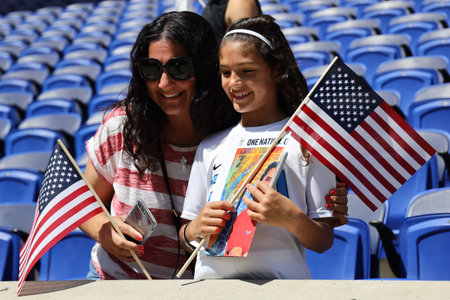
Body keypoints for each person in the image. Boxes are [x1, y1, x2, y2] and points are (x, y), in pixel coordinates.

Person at [80, 11, 348, 280]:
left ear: (203, 69)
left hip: (193, 288)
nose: (164, 83)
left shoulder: (230, 127)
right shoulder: (123, 127)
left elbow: (320, 229)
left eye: (179, 68)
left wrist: (307, 212)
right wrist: (106, 229)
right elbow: (80, 202)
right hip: (116, 280)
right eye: (150, 69)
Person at [180, 14, 339, 279]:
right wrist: (194, 229)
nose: (233, 83)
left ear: (277, 71)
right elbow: (187, 235)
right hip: (209, 291)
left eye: (247, 71)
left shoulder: (306, 142)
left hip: (283, 289)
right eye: (225, 72)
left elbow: (323, 240)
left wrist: (290, 217)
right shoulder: (210, 146)